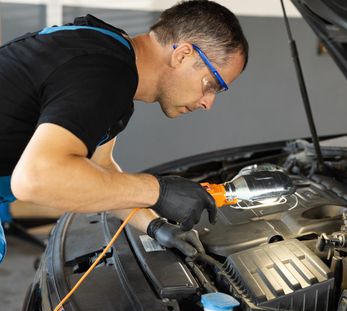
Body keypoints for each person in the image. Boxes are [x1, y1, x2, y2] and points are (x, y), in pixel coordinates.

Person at [0, 0, 249, 262]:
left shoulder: (108, 49)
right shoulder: (104, 73)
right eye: (213, 84)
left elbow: (100, 166)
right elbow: (36, 178)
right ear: (183, 55)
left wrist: (155, 226)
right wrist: (158, 191)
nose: (208, 103)